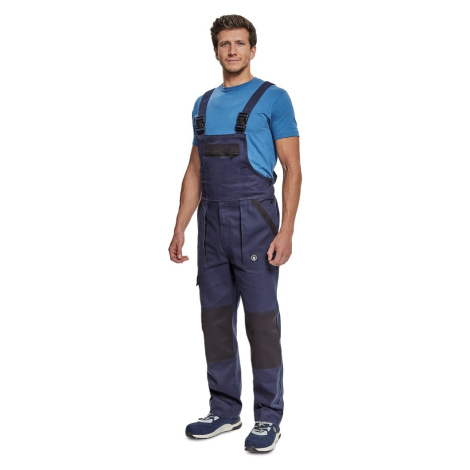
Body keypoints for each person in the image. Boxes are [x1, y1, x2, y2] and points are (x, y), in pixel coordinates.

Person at [168, 14, 302, 453]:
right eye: (225, 44)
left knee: (262, 322)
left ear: (252, 49)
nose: (232, 50)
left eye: (240, 43)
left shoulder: (274, 98)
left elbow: (293, 168)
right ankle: (224, 409)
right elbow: (194, 171)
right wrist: (179, 227)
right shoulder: (202, 104)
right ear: (215, 50)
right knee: (214, 319)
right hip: (211, 223)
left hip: (255, 219)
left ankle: (268, 417)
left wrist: (287, 230)